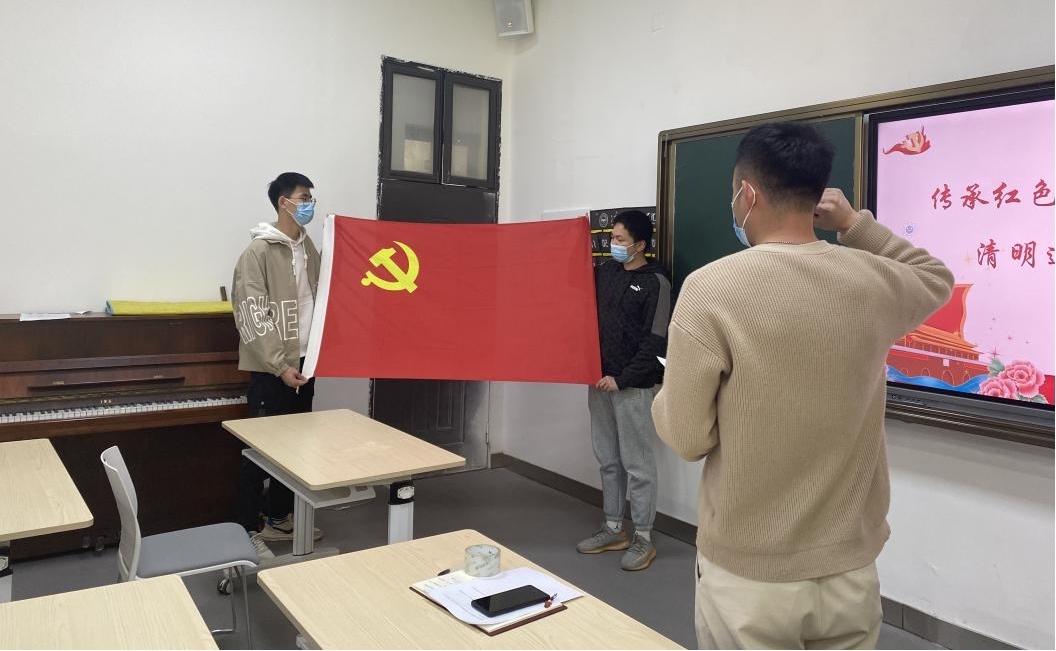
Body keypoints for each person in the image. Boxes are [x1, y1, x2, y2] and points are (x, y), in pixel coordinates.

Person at [652, 122, 953, 649]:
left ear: (747, 195)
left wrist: (668, 394)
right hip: (850, 567)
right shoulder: (872, 281)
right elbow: (935, 278)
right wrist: (855, 225)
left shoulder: (710, 289)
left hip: (750, 574)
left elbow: (687, 437)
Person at [577, 209, 671, 571]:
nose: (612, 244)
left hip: (633, 386)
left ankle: (643, 537)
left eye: (619, 239)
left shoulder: (656, 282)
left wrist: (623, 378)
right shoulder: (607, 273)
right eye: (611, 237)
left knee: (637, 464)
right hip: (599, 382)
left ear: (640, 244)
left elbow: (656, 342)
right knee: (608, 459)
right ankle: (613, 528)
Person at [232, 172, 323, 545]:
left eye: (311, 198)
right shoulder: (258, 253)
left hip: (305, 365)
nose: (309, 205)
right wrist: (280, 365)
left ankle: (279, 518)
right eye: (303, 198)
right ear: (283, 203)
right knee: (260, 452)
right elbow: (252, 315)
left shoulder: (308, 247)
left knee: (296, 451)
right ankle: (246, 530)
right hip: (273, 371)